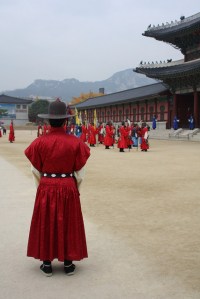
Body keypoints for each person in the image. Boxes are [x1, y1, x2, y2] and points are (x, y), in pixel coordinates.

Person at [24, 99, 90, 277]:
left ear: (47, 121)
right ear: (66, 120)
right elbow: (80, 172)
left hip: (46, 186)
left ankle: (46, 264)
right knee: (68, 221)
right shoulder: (76, 143)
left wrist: (42, 185)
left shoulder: (39, 143)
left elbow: (35, 170)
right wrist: (74, 185)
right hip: (68, 185)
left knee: (46, 220)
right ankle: (68, 264)